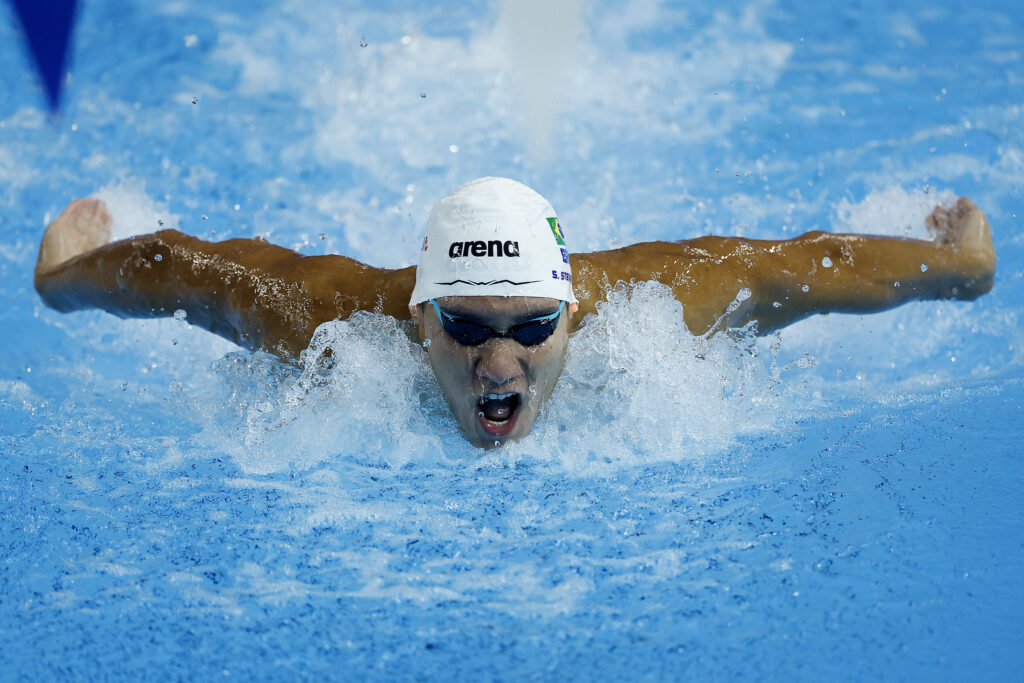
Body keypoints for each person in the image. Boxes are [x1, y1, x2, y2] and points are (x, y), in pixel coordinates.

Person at [34, 177, 996, 448]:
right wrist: (65, 276)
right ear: (416, 314)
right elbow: (189, 270)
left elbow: (809, 266)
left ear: (573, 312)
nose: (501, 363)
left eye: (533, 326)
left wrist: (960, 268)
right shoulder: (327, 322)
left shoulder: (653, 307)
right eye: (466, 326)